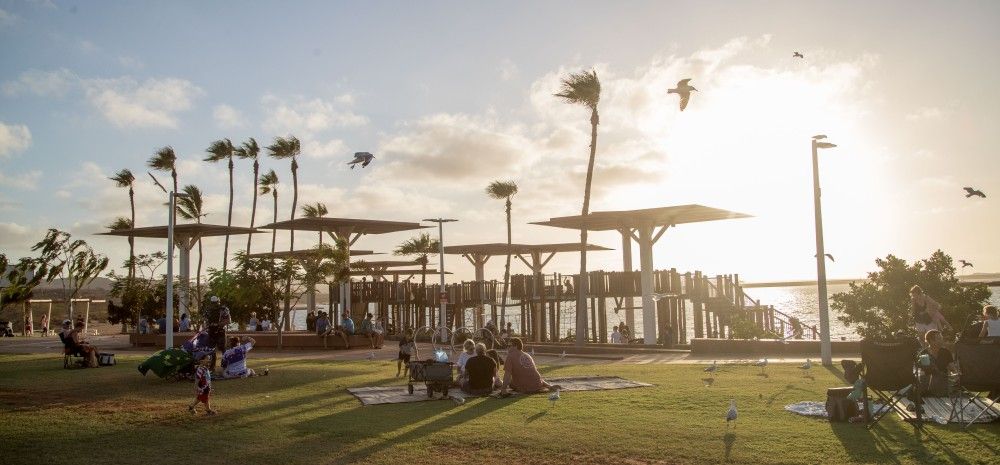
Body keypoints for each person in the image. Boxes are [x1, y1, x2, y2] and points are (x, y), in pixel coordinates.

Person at [917, 329, 955, 397]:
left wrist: (956, 374)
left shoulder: (946, 352)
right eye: (939, 338)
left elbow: (952, 369)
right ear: (931, 341)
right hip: (929, 382)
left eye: (941, 338)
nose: (942, 340)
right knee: (931, 375)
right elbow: (925, 372)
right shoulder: (924, 354)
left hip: (942, 381)